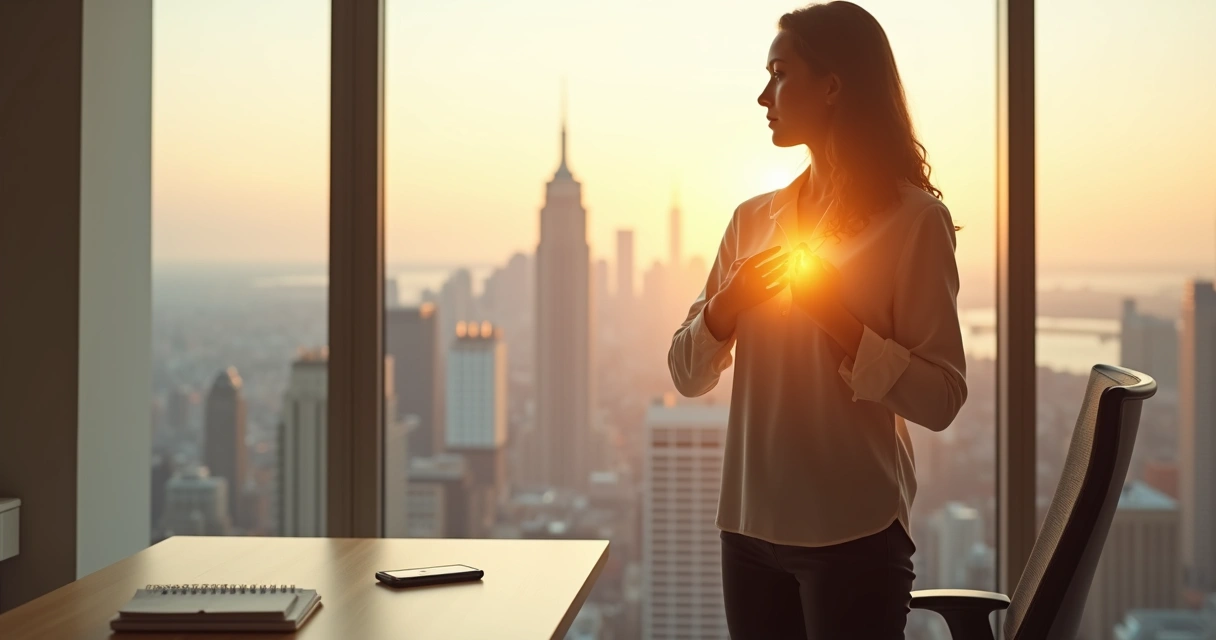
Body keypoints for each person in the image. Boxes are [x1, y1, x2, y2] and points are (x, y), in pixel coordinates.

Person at [667, 2, 967, 638]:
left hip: (851, 532)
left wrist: (845, 326)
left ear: (832, 85)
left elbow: (942, 398)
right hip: (746, 528)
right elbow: (687, 375)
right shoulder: (752, 220)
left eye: (779, 73)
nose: (762, 95)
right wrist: (728, 306)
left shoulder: (914, 221)